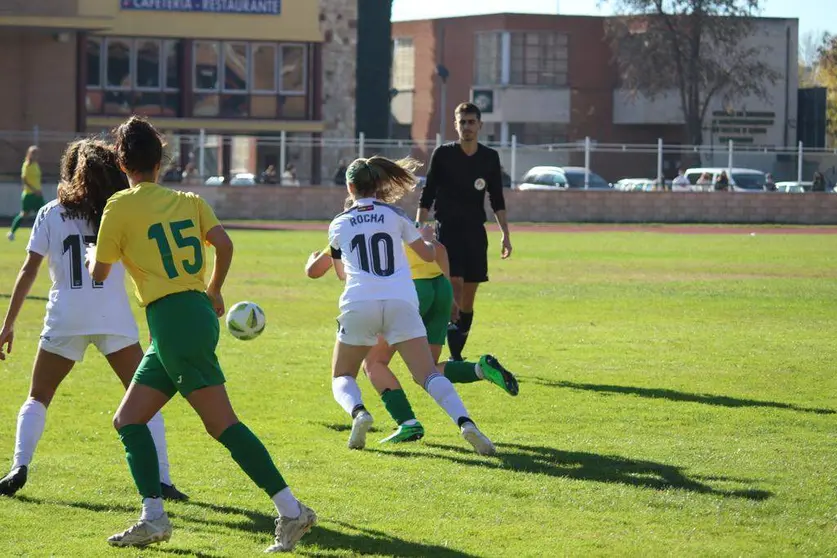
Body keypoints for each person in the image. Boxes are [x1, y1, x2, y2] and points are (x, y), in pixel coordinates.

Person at [87, 116, 315, 551]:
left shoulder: (119, 205)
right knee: (128, 419)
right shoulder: (189, 199)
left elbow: (99, 272)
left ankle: (292, 510)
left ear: (122, 161)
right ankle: (153, 517)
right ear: (160, 161)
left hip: (172, 320)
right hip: (190, 315)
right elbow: (224, 244)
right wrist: (214, 289)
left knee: (221, 424)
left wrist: (89, 256)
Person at [0, 140, 186, 501]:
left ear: (70, 173)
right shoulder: (118, 213)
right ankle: (162, 480)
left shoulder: (50, 212)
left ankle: (18, 466)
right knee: (145, 400)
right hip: (112, 317)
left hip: (65, 315)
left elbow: (28, 270)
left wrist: (7, 324)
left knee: (38, 397)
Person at [309, 155, 496, 455]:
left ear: (350, 186)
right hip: (401, 300)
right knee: (428, 374)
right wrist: (423, 239)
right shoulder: (396, 215)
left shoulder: (339, 223)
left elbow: (341, 273)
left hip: (359, 301)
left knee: (343, 375)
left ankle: (359, 413)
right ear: (379, 184)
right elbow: (425, 254)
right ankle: (466, 423)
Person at [306, 216, 518, 443]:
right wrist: (449, 295)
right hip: (439, 288)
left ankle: (407, 422)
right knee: (428, 368)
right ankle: (479, 369)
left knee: (374, 363)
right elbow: (438, 249)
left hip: (409, 293)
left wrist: (313, 257)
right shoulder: (396, 220)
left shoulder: (350, 226)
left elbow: (314, 270)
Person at [417, 102, 511, 362]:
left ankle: (457, 351)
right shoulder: (443, 154)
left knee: (468, 296)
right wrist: (418, 228)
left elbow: (497, 199)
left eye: (471, 122)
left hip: (475, 233)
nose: (467, 127)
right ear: (455, 125)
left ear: (480, 125)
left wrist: (505, 234)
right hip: (447, 230)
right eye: (462, 122)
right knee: (454, 287)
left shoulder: (489, 158)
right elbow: (428, 194)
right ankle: (449, 351)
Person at [8, 146, 46, 241]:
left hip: (38, 194)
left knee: (45, 213)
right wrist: (34, 190)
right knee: (24, 215)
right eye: (34, 153)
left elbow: (37, 179)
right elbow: (24, 179)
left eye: (37, 153)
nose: (36, 155)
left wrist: (39, 189)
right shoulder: (26, 165)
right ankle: (12, 232)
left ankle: (43, 235)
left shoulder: (36, 165)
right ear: (29, 154)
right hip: (29, 195)